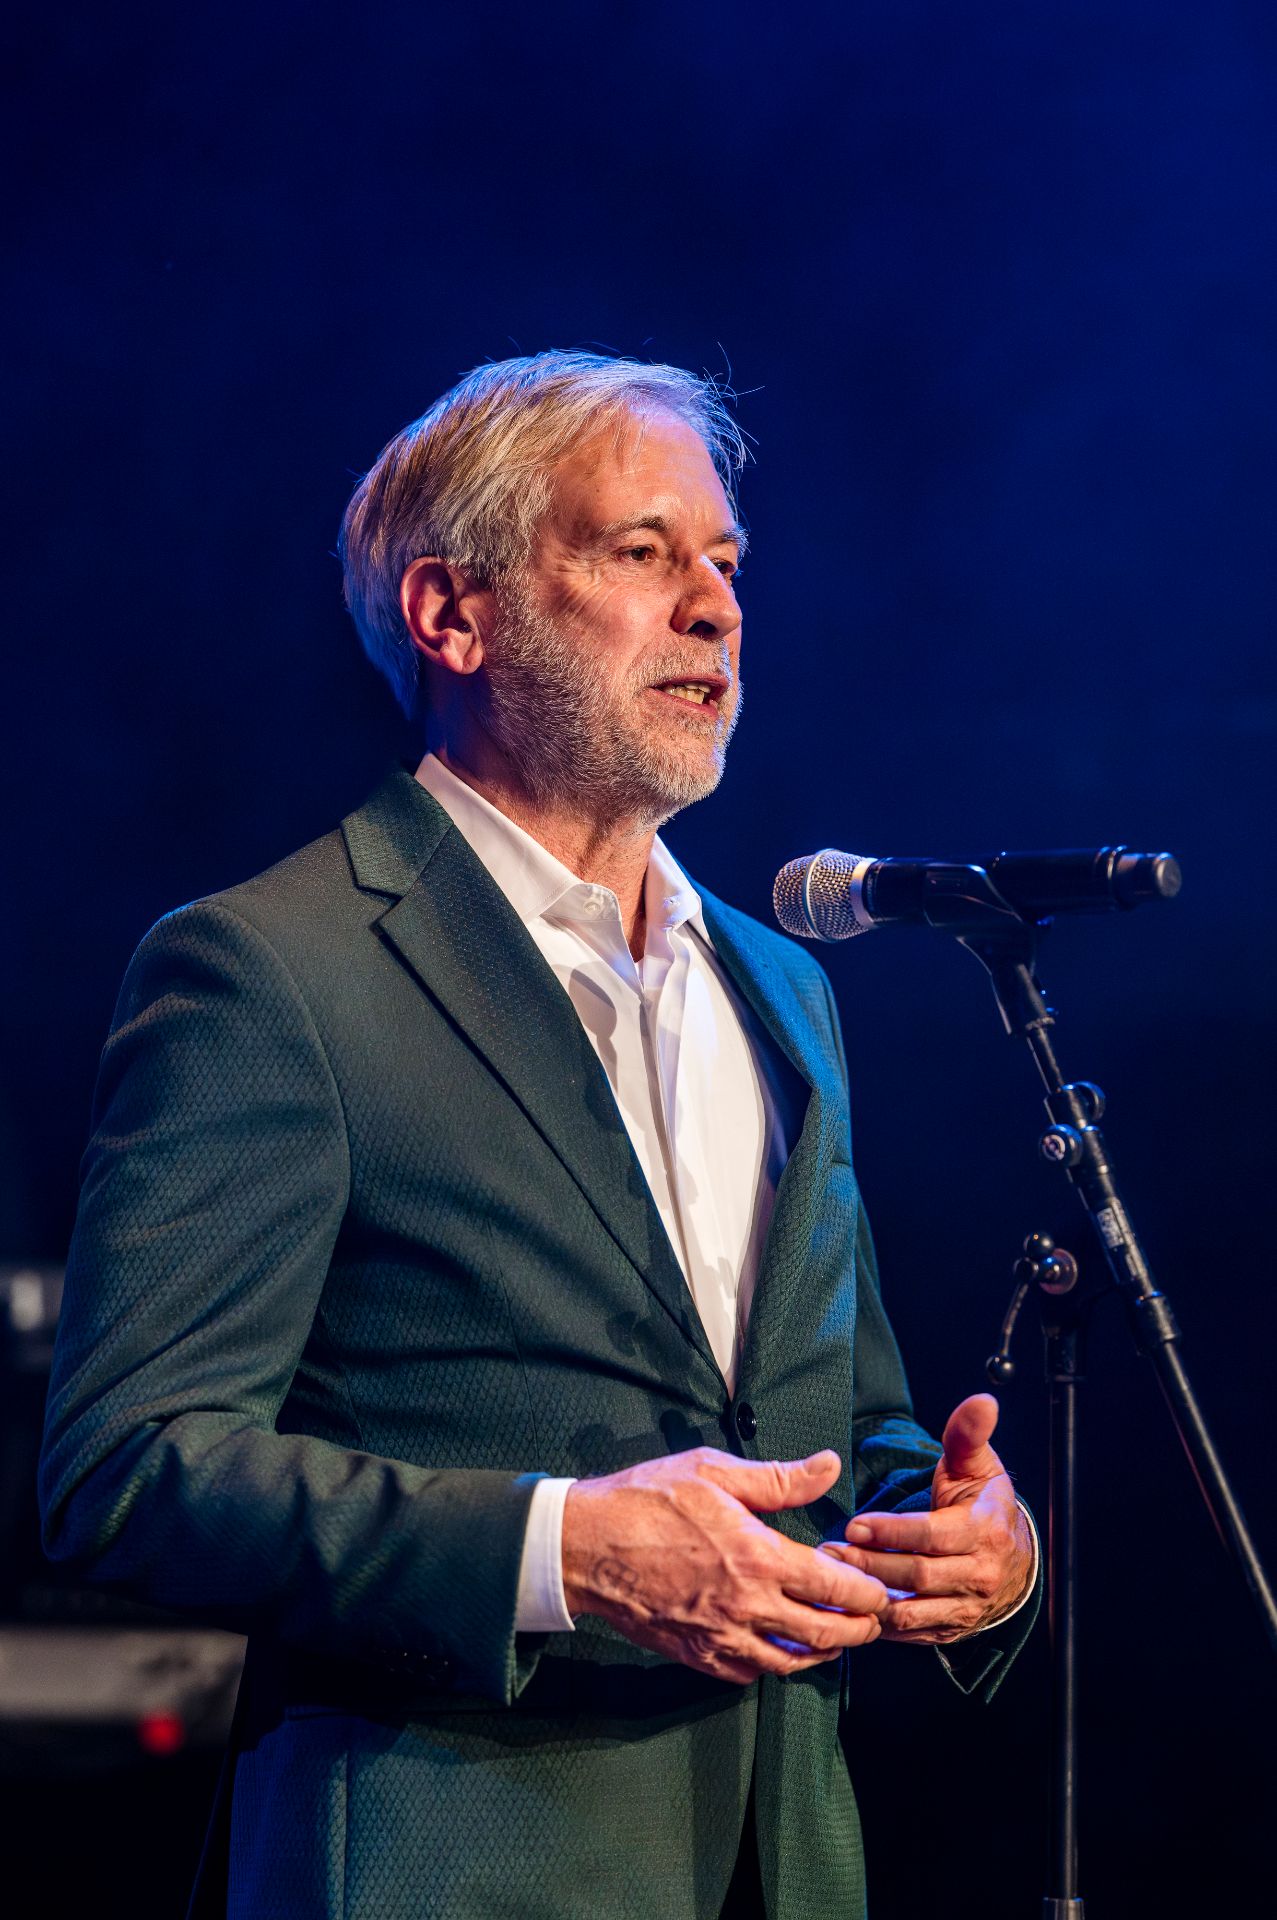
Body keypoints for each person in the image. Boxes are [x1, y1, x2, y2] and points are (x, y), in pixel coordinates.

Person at [39, 352, 1038, 1920]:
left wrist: (964, 1535)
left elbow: (842, 1414)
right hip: (447, 1863)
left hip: (785, 1863)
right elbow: (129, 1470)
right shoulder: (271, 967)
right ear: (455, 614)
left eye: (725, 563)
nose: (711, 608)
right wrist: (561, 1552)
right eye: (640, 551)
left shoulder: (781, 987)